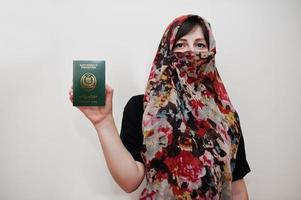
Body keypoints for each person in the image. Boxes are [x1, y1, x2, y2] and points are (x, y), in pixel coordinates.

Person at [69, 14, 251, 200]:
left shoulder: (225, 115)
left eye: (200, 45)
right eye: (180, 45)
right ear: (167, 52)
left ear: (211, 52)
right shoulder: (142, 108)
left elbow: (237, 189)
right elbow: (129, 181)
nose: (190, 52)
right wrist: (103, 122)